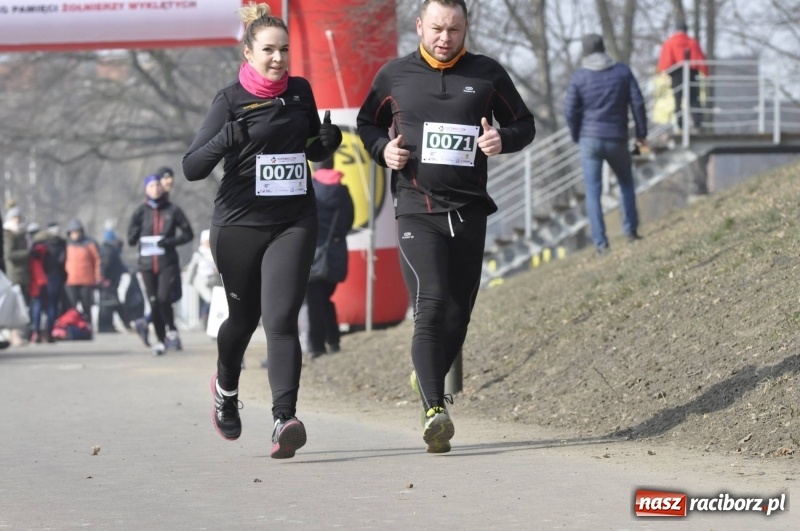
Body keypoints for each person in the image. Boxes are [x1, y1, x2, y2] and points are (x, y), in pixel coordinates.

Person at [356, 0, 535, 453]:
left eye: (454, 29)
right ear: (419, 25)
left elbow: (525, 124)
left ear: (465, 28)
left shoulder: (487, 74)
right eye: (437, 28)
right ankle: (435, 409)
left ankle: (426, 374)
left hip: (469, 208)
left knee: (458, 314)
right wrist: (383, 151)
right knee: (431, 302)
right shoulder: (394, 75)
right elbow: (366, 124)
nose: (444, 38)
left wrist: (502, 138)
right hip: (416, 207)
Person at [182, 1, 342, 459]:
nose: (278, 58)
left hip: (293, 221)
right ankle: (226, 388)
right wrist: (222, 140)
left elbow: (309, 147)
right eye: (269, 50)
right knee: (243, 319)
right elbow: (192, 167)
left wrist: (326, 144)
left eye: (284, 50)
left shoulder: (300, 92)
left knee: (281, 319)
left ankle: (283, 419)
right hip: (239, 224)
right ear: (249, 53)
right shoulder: (230, 100)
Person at [563, 33, 647, 255]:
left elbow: (569, 111)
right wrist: (641, 136)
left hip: (588, 140)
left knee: (593, 193)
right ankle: (630, 232)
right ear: (604, 48)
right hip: (617, 137)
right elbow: (638, 103)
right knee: (626, 183)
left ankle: (601, 245)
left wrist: (577, 135)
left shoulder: (579, 77)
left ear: (585, 52)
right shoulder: (622, 71)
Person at [127, 174, 193, 355]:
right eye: (151, 186)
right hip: (147, 264)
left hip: (167, 263)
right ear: (146, 189)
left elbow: (188, 234)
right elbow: (131, 239)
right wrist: (134, 233)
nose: (155, 189)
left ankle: (172, 330)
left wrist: (169, 242)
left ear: (162, 188)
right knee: (154, 302)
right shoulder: (140, 212)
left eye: (157, 185)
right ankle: (161, 340)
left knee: (164, 298)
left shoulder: (172, 210)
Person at [306, 158, 354, 359]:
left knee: (314, 301)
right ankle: (333, 339)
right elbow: (349, 222)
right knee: (326, 297)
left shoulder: (310, 189)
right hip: (336, 253)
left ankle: (317, 346)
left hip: (313, 253)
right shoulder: (342, 191)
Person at [657, 21, 709, 132]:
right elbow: (700, 58)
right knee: (694, 99)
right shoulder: (692, 42)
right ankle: (698, 123)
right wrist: (705, 73)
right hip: (692, 73)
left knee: (678, 99)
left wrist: (663, 72)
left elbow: (666, 60)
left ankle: (680, 125)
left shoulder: (670, 42)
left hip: (676, 73)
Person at [64, 218, 102, 326]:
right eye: (73, 232)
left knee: (86, 305)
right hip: (70, 280)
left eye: (77, 232)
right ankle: (73, 326)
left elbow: (97, 260)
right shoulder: (66, 245)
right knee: (71, 307)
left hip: (86, 280)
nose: (75, 234)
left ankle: (88, 325)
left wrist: (97, 276)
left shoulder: (89, 244)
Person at [2, 206, 31, 345]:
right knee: (13, 308)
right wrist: (27, 253)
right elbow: (8, 254)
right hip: (12, 275)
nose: (18, 220)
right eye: (15, 217)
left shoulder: (22, 233)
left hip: (23, 275)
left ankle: (17, 335)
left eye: (19, 217)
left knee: (21, 307)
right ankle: (13, 336)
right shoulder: (8, 234)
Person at [185, 229, 218, 332]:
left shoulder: (215, 252)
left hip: (214, 281)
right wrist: (189, 280)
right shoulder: (199, 254)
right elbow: (192, 268)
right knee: (210, 300)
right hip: (202, 281)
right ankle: (204, 318)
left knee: (215, 301)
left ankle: (212, 322)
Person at [97, 228, 129, 333]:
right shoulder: (108, 251)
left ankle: (107, 325)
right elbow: (105, 266)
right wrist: (104, 277)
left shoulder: (107, 250)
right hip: (108, 281)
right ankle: (106, 326)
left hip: (109, 281)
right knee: (108, 304)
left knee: (109, 304)